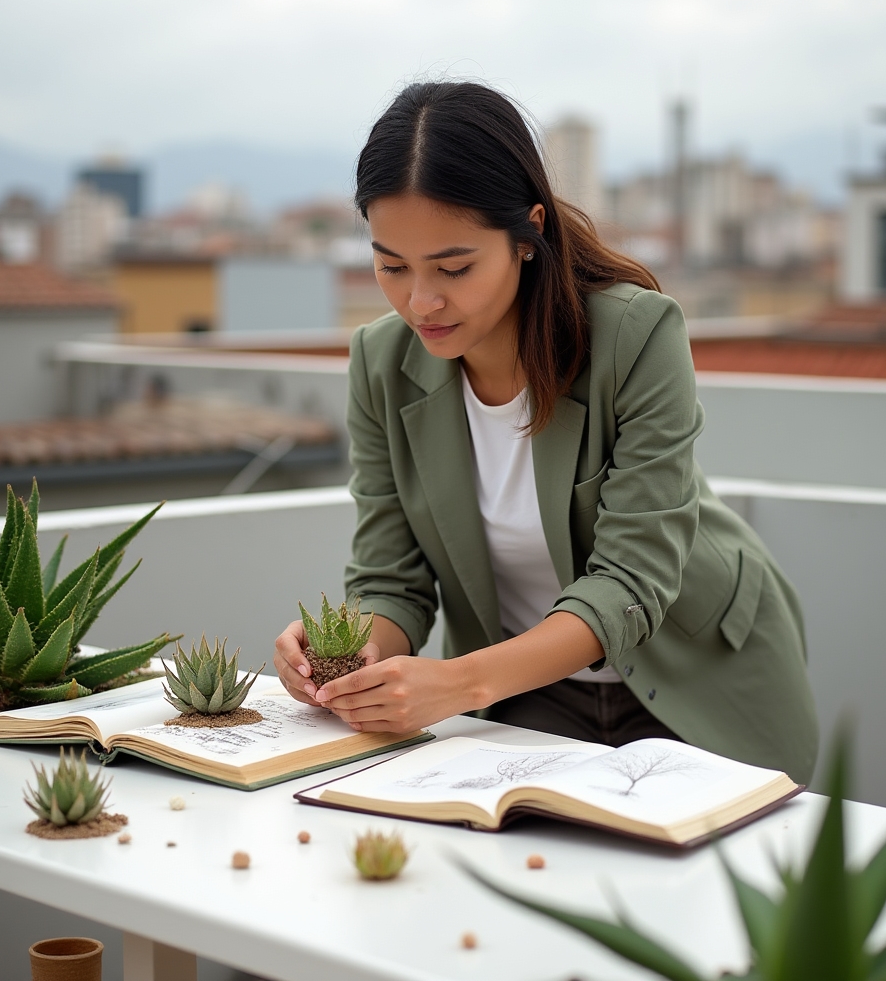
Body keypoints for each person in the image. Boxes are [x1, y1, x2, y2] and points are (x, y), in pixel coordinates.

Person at [274, 81, 818, 784]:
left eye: (454, 266)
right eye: (390, 266)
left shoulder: (636, 335)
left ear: (526, 234)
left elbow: (630, 579)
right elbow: (391, 578)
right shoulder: (381, 364)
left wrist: (459, 684)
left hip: (700, 676)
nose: (421, 300)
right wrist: (343, 657)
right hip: (528, 694)